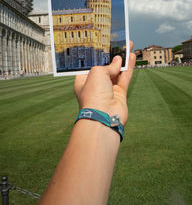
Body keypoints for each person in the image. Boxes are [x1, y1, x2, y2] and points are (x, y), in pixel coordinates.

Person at [38, 41, 136, 205]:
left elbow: (111, 119)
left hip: (112, 118)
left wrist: (106, 113)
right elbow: (109, 120)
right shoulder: (113, 120)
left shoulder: (114, 119)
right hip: (111, 118)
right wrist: (104, 112)